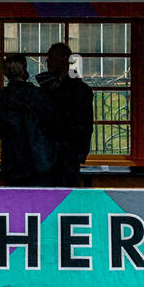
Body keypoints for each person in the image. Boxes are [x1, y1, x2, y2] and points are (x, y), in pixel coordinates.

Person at [0, 54, 56, 186]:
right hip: (37, 158)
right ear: (24, 69)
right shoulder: (37, 94)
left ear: (6, 73)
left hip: (12, 159)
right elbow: (50, 124)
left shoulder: (1, 99)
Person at [38, 42, 94, 186]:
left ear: (63, 59)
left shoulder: (79, 91)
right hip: (48, 154)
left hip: (66, 155)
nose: (47, 60)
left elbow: (85, 125)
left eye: (51, 56)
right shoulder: (47, 86)